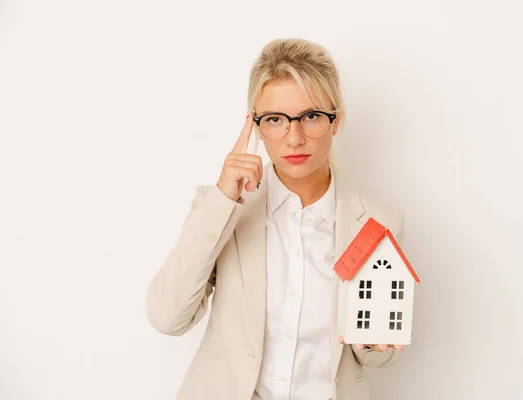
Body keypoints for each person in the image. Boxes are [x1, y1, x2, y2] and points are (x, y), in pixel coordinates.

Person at [146, 38, 406, 400]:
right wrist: (224, 198)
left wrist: (374, 345)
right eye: (275, 120)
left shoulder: (377, 224)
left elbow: (376, 355)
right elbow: (167, 317)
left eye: (311, 116)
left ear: (336, 122)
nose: (294, 137)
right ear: (255, 126)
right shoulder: (219, 208)